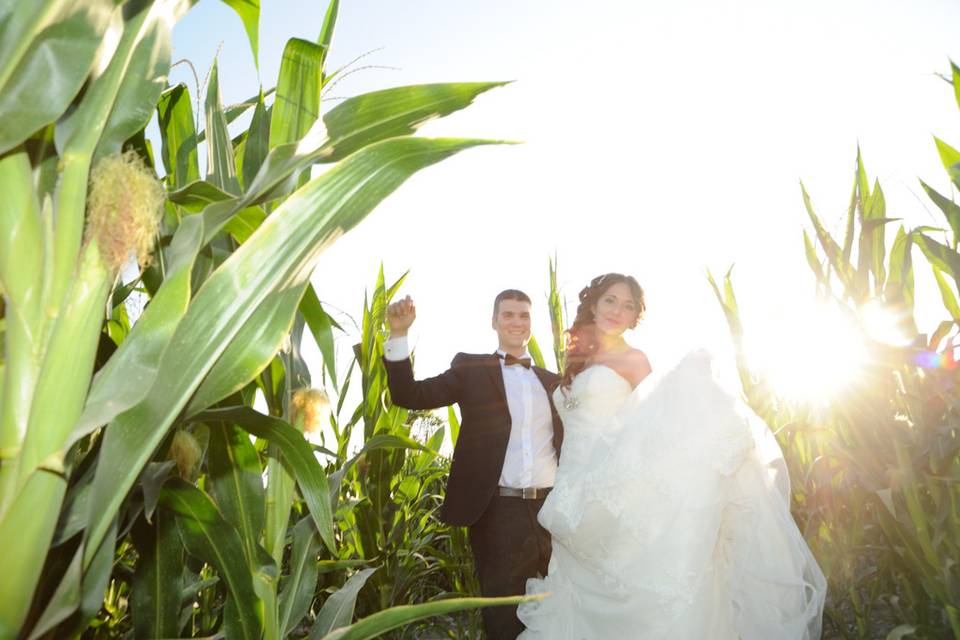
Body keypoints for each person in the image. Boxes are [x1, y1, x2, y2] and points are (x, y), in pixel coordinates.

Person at [516, 273, 827, 640]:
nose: (618, 310)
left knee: (628, 583)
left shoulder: (634, 360)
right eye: (610, 300)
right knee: (577, 586)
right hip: (571, 489)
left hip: (610, 486)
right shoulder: (578, 360)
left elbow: (658, 422)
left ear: (635, 318)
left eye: (628, 305)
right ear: (593, 305)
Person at [382, 290, 563, 640]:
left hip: (552, 510)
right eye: (508, 314)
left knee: (555, 608)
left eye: (523, 315)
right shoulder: (471, 369)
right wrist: (399, 335)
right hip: (499, 511)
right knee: (503, 615)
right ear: (494, 321)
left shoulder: (551, 380)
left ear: (531, 323)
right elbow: (410, 396)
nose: (516, 321)